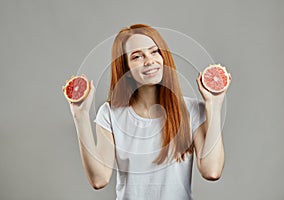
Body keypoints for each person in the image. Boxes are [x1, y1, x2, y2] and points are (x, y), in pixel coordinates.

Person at [64, 24, 232, 200]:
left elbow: (211, 171)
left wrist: (214, 104)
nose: (149, 60)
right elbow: (99, 179)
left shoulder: (192, 110)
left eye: (154, 52)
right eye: (137, 56)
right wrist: (80, 116)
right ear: (126, 70)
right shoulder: (110, 114)